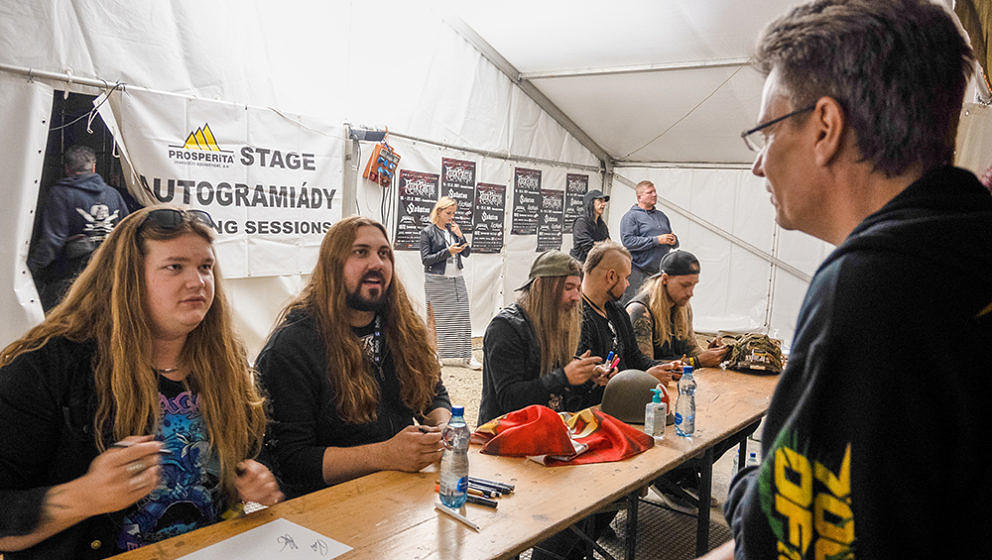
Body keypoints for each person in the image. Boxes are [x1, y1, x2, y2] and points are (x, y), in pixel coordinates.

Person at [717, 1, 992, 559]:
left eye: (765, 133)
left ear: (825, 127)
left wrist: (749, 488)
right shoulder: (968, 243)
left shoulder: (872, 285)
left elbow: (788, 541)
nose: (758, 164)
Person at [0, 207, 282, 559]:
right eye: (175, 267)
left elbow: (254, 467)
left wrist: (255, 493)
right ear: (128, 277)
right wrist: (84, 496)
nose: (198, 281)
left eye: (205, 267)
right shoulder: (49, 365)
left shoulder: (224, 362)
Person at [257, 216, 452, 498]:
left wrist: (443, 428)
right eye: (361, 252)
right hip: (324, 514)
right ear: (332, 265)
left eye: (384, 253)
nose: (377, 263)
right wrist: (384, 455)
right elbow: (290, 462)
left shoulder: (402, 328)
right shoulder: (291, 347)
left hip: (399, 501)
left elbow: (432, 393)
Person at [479, 250, 605, 426]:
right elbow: (509, 398)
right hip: (505, 435)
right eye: (568, 288)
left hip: (549, 429)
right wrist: (563, 377)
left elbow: (557, 391)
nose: (577, 297)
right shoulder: (506, 327)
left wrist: (587, 378)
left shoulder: (558, 321)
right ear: (540, 286)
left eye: (578, 288)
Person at [28, 144, 131, 311]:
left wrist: (30, 269)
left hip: (72, 282)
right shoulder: (113, 194)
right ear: (93, 167)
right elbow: (127, 232)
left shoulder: (60, 194)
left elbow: (52, 241)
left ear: (67, 169)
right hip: (109, 278)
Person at [578, 241, 679, 385]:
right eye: (626, 277)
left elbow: (635, 358)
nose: (628, 284)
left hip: (624, 396)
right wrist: (644, 378)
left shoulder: (617, 310)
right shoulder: (578, 319)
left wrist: (665, 368)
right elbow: (589, 385)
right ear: (611, 276)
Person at [626, 250, 729, 367]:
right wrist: (697, 362)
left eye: (693, 285)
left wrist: (713, 354)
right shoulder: (640, 311)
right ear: (665, 279)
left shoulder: (683, 306)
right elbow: (644, 366)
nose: (690, 293)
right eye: (685, 285)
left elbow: (691, 349)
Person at [420, 197, 480, 370]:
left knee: (462, 316)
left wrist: (461, 236)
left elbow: (467, 253)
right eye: (448, 213)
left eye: (453, 213)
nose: (451, 216)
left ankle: (467, 356)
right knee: (435, 318)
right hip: (436, 279)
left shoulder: (453, 230)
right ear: (438, 211)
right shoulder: (427, 232)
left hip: (456, 278)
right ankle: (435, 354)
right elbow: (426, 259)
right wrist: (448, 252)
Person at [619, 180, 678, 304]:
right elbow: (628, 241)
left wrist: (673, 241)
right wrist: (657, 240)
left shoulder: (662, 216)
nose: (654, 194)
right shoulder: (631, 217)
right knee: (632, 307)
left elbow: (668, 238)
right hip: (637, 272)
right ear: (639, 197)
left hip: (658, 273)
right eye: (650, 192)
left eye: (655, 191)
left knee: (654, 307)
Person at [569, 189, 610, 262]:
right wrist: (603, 244)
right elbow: (588, 246)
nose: (604, 204)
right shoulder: (581, 222)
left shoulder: (602, 224)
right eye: (600, 200)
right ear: (591, 203)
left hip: (595, 265)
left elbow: (609, 244)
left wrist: (598, 244)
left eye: (604, 201)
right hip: (579, 266)